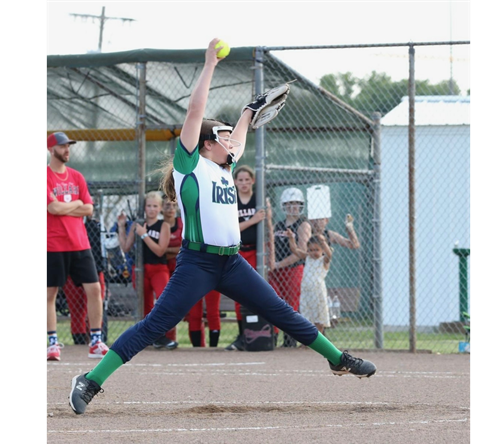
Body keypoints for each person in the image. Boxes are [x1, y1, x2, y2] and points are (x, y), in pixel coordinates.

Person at [69, 38, 376, 415]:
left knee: (280, 311)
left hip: (231, 263)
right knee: (155, 325)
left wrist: (247, 114)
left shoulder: (224, 167)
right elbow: (196, 112)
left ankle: (337, 358)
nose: (232, 141)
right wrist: (210, 64)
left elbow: (240, 139)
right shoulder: (190, 166)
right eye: (224, 136)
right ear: (206, 144)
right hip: (197, 263)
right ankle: (91, 380)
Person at [46, 131, 109, 362]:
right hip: (53, 244)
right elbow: (52, 209)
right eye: (63, 147)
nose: (67, 150)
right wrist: (75, 204)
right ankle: (52, 343)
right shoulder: (46, 176)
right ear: (51, 149)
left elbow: (89, 209)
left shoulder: (77, 177)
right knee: (50, 294)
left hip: (79, 243)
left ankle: (95, 341)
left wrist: (64, 205)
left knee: (94, 289)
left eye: (68, 146)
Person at [117, 191, 178, 350]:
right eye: (149, 206)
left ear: (160, 209)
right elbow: (125, 247)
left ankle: (164, 337)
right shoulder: (137, 225)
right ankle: (149, 338)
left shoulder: (163, 225)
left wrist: (144, 235)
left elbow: (160, 250)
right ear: (144, 208)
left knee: (164, 301)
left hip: (159, 268)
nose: (151, 209)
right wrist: (122, 227)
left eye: (155, 206)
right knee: (145, 304)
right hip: (140, 270)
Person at [165, 196, 221, 348]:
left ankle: (214, 349)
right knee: (194, 312)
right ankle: (198, 349)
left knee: (212, 311)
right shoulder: (188, 223)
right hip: (192, 270)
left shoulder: (215, 222)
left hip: (212, 267)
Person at [225, 165, 269, 351]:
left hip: (258, 254)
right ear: (234, 182)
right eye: (240, 180)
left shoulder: (260, 200)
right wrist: (251, 220)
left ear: (253, 181)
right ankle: (243, 334)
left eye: (246, 179)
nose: (243, 183)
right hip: (239, 252)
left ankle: (265, 333)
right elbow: (231, 227)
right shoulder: (230, 199)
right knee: (239, 295)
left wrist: (270, 254)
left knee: (262, 293)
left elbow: (269, 229)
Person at [268, 186, 311, 347]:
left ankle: (289, 340)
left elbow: (301, 251)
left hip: (293, 270)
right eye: (290, 203)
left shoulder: (303, 224)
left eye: (297, 203)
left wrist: (279, 264)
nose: (293, 207)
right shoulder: (279, 225)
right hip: (276, 270)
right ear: (283, 205)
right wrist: (273, 263)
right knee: (272, 302)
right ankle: (272, 337)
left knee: (291, 305)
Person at [63, 215, 107, 345]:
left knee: (96, 301)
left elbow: (105, 249)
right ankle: (79, 339)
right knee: (76, 308)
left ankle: (96, 337)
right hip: (71, 270)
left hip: (96, 270)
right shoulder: (66, 225)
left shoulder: (96, 225)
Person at [289, 232, 333, 336]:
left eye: (317, 250)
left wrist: (323, 241)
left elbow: (329, 255)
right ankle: (307, 341)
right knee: (307, 316)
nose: (313, 253)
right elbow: (295, 250)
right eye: (311, 250)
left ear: (322, 250)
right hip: (306, 293)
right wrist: (291, 238)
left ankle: (318, 339)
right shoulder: (308, 258)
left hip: (318, 292)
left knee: (319, 318)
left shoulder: (323, 261)